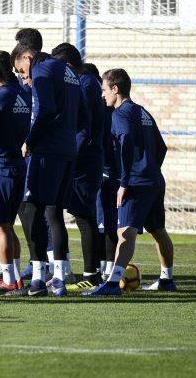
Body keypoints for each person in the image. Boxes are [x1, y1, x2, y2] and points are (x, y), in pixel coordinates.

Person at [85, 69, 176, 296]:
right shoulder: (142, 111)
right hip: (154, 180)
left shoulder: (121, 114)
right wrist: (151, 168)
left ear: (115, 89)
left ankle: (113, 283)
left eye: (104, 90)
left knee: (125, 232)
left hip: (135, 183)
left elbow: (125, 142)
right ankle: (167, 279)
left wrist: (125, 181)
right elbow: (161, 147)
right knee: (158, 230)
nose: (102, 95)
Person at [12, 41, 80, 297]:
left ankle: (39, 278)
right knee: (55, 213)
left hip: (48, 151)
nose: (22, 76)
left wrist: (31, 140)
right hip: (68, 150)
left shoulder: (43, 70)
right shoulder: (69, 72)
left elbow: (45, 109)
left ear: (27, 57)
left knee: (34, 209)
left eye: (21, 69)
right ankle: (60, 278)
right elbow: (81, 112)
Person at [51, 44, 105, 291]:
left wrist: (72, 153)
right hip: (80, 157)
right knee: (72, 213)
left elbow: (85, 126)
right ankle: (79, 271)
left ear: (69, 66)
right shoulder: (85, 82)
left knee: (84, 215)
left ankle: (92, 274)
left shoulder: (85, 84)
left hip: (84, 160)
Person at [0, 57, 30, 294]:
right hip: (18, 164)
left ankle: (10, 279)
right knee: (8, 226)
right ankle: (16, 279)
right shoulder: (20, 95)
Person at [85, 62, 120, 279]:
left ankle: (104, 269)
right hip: (109, 171)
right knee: (106, 222)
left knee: (105, 222)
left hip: (107, 172)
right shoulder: (108, 108)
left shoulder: (105, 110)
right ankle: (105, 268)